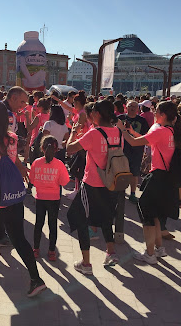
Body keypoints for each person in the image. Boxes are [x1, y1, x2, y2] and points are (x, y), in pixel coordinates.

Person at [0, 100, 46, 320]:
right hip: (11, 198)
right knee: (19, 239)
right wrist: (22, 170)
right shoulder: (12, 138)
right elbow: (14, 159)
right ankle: (36, 279)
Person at [117, 101, 181, 264]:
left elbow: (133, 142)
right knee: (156, 214)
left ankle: (150, 253)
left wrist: (123, 129)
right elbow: (148, 140)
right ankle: (159, 249)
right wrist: (132, 132)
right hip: (167, 178)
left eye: (156, 110)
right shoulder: (170, 130)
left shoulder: (159, 130)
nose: (153, 112)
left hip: (157, 177)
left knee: (147, 214)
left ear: (163, 115)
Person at [66, 100, 122, 275]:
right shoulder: (118, 132)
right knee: (106, 217)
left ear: (97, 114)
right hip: (111, 183)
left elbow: (69, 149)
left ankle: (86, 263)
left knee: (79, 219)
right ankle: (111, 252)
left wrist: (74, 133)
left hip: (92, 184)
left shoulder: (94, 133)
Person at [30, 136, 69, 261]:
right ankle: (51, 251)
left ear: (42, 148)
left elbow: (32, 180)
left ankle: (36, 249)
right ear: (56, 149)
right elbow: (64, 181)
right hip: (54, 199)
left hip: (40, 197)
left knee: (38, 224)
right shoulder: (59, 164)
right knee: (52, 225)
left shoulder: (36, 162)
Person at [117, 101, 149, 203]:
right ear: (126, 107)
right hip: (121, 149)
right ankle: (119, 191)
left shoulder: (142, 120)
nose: (132, 108)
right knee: (120, 172)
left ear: (138, 108)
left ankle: (133, 193)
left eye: (135, 106)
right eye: (130, 106)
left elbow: (145, 136)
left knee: (134, 173)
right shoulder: (120, 119)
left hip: (137, 150)